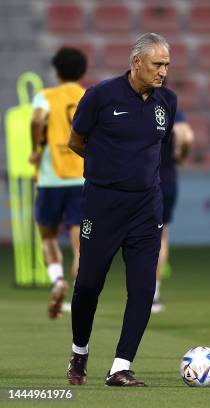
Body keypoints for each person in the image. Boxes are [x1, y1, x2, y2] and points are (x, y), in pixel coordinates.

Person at [65, 33, 177, 386]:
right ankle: (79, 351)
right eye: (158, 64)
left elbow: (157, 150)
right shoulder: (100, 95)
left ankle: (120, 366)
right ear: (137, 62)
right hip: (102, 206)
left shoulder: (167, 102)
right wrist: (106, 169)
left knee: (143, 289)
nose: (164, 72)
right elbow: (75, 141)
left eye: (167, 65)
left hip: (146, 208)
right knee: (87, 285)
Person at [29, 47, 87, 320]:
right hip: (82, 176)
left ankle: (57, 280)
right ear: (82, 72)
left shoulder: (46, 96)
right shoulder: (88, 96)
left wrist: (35, 148)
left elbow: (37, 119)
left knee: (48, 236)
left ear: (57, 71)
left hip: (52, 178)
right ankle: (78, 295)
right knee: (80, 243)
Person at [152, 110, 194, 313]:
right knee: (161, 236)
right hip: (166, 178)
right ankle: (153, 294)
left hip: (139, 178)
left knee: (134, 236)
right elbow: (187, 136)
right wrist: (180, 156)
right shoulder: (172, 111)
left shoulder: (134, 105)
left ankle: (137, 291)